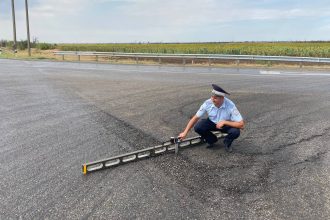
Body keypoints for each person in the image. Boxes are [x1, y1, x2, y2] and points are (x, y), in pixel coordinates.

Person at [178, 84, 244, 152]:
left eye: (215, 98)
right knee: (198, 127)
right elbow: (195, 118)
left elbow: (241, 124)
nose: (212, 99)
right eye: (212, 97)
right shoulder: (207, 103)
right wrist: (185, 132)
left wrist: (225, 122)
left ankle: (227, 142)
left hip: (226, 125)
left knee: (235, 132)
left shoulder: (230, 105)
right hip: (212, 122)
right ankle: (212, 140)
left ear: (222, 98)